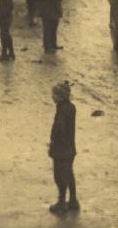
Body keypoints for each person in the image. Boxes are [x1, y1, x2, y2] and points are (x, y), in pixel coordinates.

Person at [48, 81, 79, 215]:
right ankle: (73, 200)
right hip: (70, 148)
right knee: (69, 173)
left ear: (60, 97)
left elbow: (60, 128)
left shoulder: (61, 110)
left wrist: (53, 143)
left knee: (59, 176)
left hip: (61, 150)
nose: (52, 97)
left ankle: (61, 202)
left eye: (54, 95)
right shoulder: (71, 107)